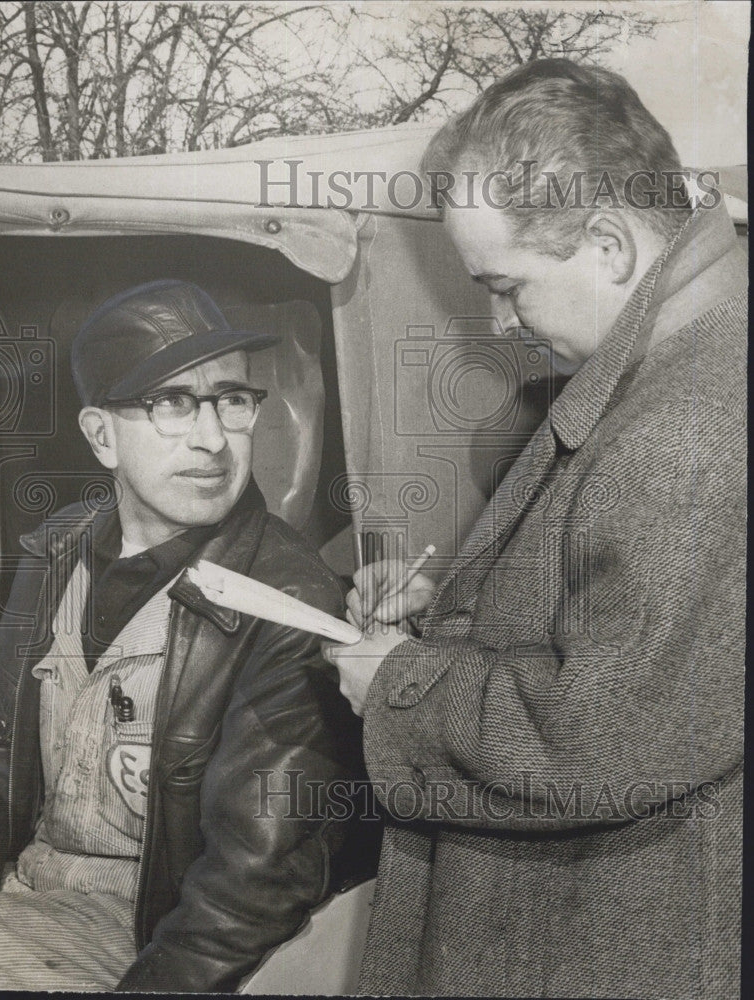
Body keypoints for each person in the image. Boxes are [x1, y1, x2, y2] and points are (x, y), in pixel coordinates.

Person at [324, 59, 745, 998]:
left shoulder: (685, 426)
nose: (497, 320)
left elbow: (595, 739)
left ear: (607, 244)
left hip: (597, 946)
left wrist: (398, 683)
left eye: (506, 285)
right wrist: (466, 616)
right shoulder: (697, 359)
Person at [0, 279, 369, 992]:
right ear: (101, 436)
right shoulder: (54, 553)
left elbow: (255, 882)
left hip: (145, 935)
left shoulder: (290, 599)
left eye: (231, 400)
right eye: (172, 403)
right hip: (18, 905)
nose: (213, 438)